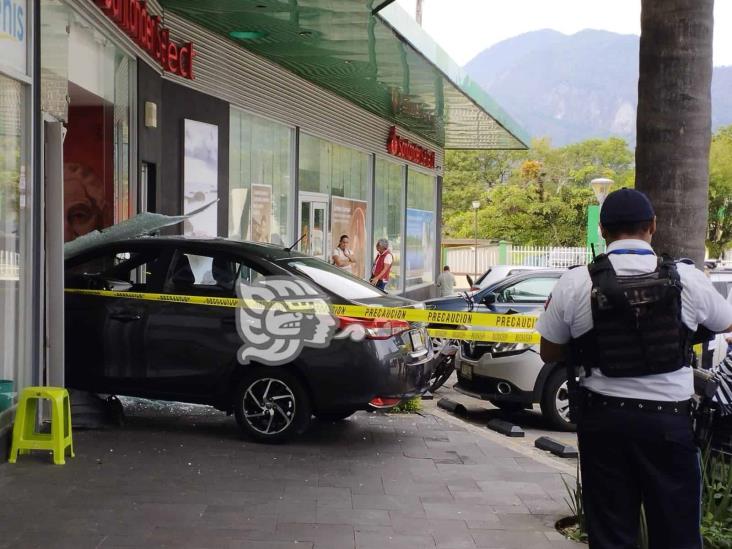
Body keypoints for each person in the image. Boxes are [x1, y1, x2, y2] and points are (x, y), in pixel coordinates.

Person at [536, 188, 732, 549]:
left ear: (603, 230)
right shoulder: (687, 279)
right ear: (653, 226)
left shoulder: (576, 281)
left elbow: (549, 351)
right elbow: (726, 324)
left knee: (611, 534)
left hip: (604, 424)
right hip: (669, 425)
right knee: (677, 535)